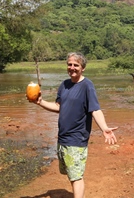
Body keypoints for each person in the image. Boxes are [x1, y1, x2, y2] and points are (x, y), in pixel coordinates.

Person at [28, 52, 118, 198]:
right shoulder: (64, 85)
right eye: (69, 64)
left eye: (76, 65)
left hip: (77, 139)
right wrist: (40, 103)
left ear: (83, 68)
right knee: (72, 175)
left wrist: (104, 128)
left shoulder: (87, 86)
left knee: (76, 177)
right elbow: (59, 107)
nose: (72, 67)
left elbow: (95, 109)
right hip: (63, 138)